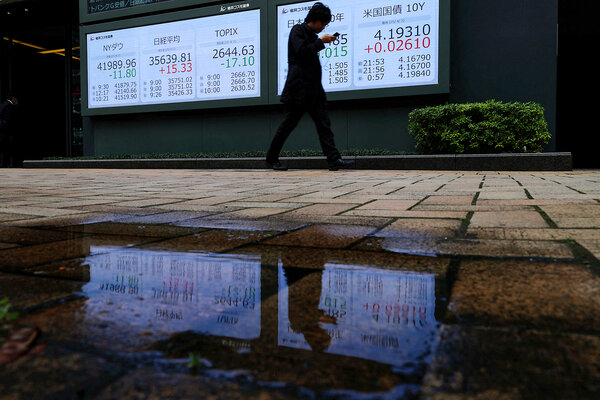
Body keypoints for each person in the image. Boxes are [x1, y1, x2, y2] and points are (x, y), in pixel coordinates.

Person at [266, 2, 354, 171]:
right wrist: (321, 42)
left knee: (324, 124)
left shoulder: (313, 36)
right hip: (298, 89)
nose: (323, 27)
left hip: (314, 91)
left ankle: (334, 159)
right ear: (314, 20)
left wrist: (319, 41)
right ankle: (271, 158)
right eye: (323, 23)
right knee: (288, 125)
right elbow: (301, 52)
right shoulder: (298, 31)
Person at [0, 94, 18, 167]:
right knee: (5, 147)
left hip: (2, 128)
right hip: (4, 129)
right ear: (13, 98)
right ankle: (6, 164)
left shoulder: (3, 104)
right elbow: (8, 119)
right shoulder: (8, 105)